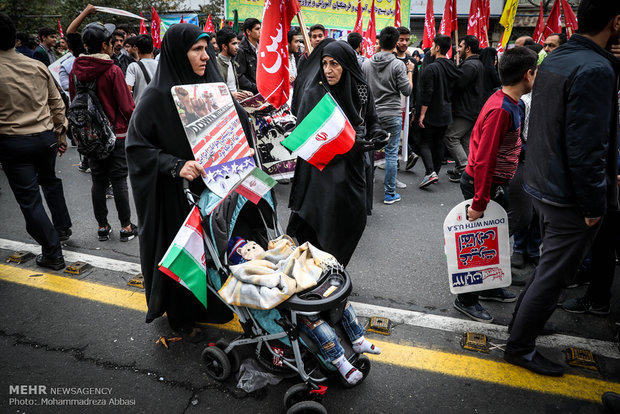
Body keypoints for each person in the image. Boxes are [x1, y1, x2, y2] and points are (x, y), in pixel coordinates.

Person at [504, 0, 620, 377]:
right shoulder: (595, 68)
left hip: (543, 183)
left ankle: (523, 324)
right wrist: (593, 203)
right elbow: (588, 146)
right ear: (615, 22)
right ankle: (520, 345)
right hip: (568, 194)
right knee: (553, 275)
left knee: (547, 268)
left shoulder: (554, 59)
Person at [126, 24, 253, 333]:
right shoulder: (155, 97)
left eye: (206, 48)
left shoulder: (213, 86)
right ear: (177, 55)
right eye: (196, 50)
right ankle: (181, 316)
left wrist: (243, 141)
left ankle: (214, 306)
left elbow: (237, 121)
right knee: (186, 255)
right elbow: (137, 147)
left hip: (215, 189)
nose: (205, 56)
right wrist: (174, 164)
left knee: (216, 252)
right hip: (176, 195)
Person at [454, 47, 538, 323]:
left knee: (495, 239)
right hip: (482, 184)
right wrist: (479, 202)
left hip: (496, 183)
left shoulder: (512, 102)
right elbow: (484, 160)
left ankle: (488, 287)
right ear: (528, 74)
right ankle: (466, 300)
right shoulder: (502, 108)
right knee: (480, 244)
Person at [288, 41, 386, 267]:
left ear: (348, 65)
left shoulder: (361, 89)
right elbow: (305, 136)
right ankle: (321, 274)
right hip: (322, 171)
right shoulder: (315, 92)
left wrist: (378, 134)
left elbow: (372, 120)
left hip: (354, 169)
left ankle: (337, 267)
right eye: (324, 64)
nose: (328, 70)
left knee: (354, 222)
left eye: (334, 64)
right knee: (323, 223)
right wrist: (348, 143)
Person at [0, 13, 72, 270]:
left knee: (30, 200)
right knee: (50, 181)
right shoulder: (36, 65)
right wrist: (60, 134)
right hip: (45, 139)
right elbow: (57, 102)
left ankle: (53, 251)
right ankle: (62, 227)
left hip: (13, 142)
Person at [69, 22, 137, 242]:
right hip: (115, 134)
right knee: (118, 180)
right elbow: (127, 107)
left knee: (98, 180)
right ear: (105, 45)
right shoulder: (113, 70)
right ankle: (126, 227)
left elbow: (74, 101)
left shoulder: (75, 71)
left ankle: (102, 227)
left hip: (89, 135)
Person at [362, 26, 413, 204]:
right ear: (395, 43)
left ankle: (365, 190)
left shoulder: (367, 63)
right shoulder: (398, 65)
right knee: (391, 153)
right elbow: (406, 90)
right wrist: (411, 72)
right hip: (392, 113)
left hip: (371, 115)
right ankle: (390, 193)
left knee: (368, 151)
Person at [417, 34, 462, 188]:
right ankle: (434, 172)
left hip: (432, 111)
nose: (430, 48)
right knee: (438, 143)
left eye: (433, 45)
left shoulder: (432, 68)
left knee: (425, 142)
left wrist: (422, 113)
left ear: (437, 48)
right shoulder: (453, 67)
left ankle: (430, 172)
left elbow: (428, 93)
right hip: (446, 111)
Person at [445, 35, 486, 183]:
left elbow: (458, 85)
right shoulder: (477, 64)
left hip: (466, 109)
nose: (458, 49)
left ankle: (464, 169)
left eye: (461, 46)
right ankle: (467, 169)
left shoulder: (469, 65)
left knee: (451, 136)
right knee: (465, 140)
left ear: (468, 49)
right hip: (473, 109)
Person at [394, 26, 420, 172]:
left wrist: (414, 108)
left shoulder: (412, 62)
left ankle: (407, 155)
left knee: (403, 134)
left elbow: (416, 87)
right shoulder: (390, 58)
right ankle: (395, 165)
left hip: (407, 105)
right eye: (401, 39)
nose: (404, 43)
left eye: (407, 40)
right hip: (391, 105)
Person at [216, 28, 252, 102]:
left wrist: (242, 93)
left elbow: (233, 89)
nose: (237, 47)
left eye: (237, 44)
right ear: (224, 46)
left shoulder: (232, 62)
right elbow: (216, 92)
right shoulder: (216, 65)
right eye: (234, 44)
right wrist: (232, 95)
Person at [125, 35, 158, 105]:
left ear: (137, 49)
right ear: (153, 49)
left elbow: (128, 88)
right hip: (158, 107)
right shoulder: (160, 65)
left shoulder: (133, 67)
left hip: (139, 107)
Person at [235, 18, 260, 94]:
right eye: (257, 29)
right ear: (248, 31)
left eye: (261, 28)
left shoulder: (263, 48)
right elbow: (239, 76)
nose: (260, 31)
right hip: (251, 94)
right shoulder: (241, 50)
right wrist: (256, 88)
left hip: (264, 91)